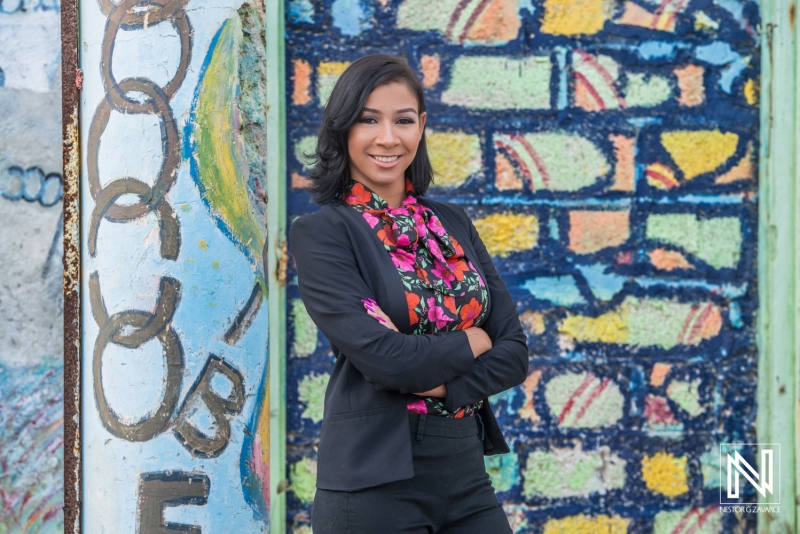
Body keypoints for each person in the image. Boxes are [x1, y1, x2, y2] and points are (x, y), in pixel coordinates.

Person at [289, 54, 529, 534]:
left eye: (403, 120)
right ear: (343, 130)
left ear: (421, 126)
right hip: (374, 482)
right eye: (368, 120)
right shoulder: (324, 233)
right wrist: (471, 342)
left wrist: (443, 382)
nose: (387, 138)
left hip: (465, 469)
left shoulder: (453, 222)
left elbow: (514, 352)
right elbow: (384, 358)